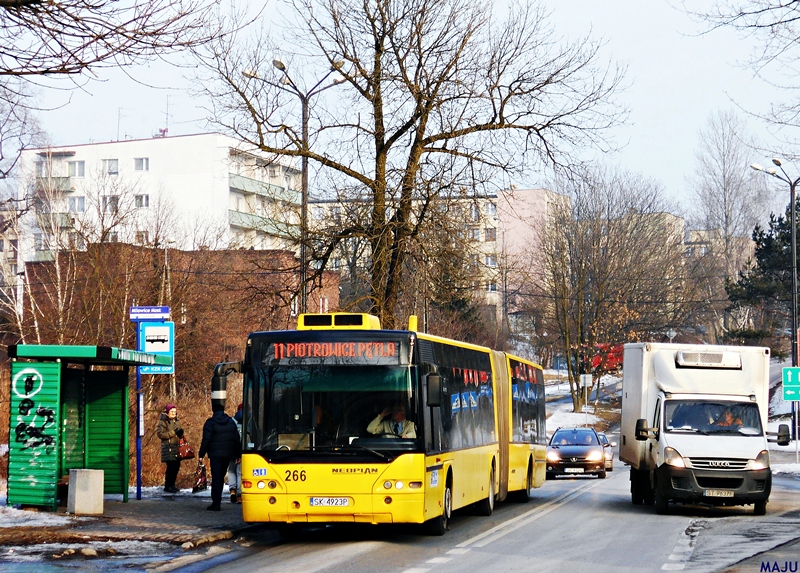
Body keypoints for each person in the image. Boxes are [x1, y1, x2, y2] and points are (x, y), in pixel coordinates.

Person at [199, 403, 242, 511]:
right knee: (221, 476)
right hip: (227, 454)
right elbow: (236, 439)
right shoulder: (230, 422)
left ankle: (216, 502)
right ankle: (217, 500)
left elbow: (206, 440)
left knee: (216, 477)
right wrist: (238, 454)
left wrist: (201, 454)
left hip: (215, 455)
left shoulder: (210, 423)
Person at [156, 403, 184, 494]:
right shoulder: (163, 422)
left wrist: (181, 434)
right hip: (168, 448)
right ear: (167, 412)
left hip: (177, 448)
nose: (173, 413)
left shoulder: (177, 421)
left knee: (176, 467)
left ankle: (172, 485)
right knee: (171, 467)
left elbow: (179, 434)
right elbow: (161, 434)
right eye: (172, 412)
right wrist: (173, 433)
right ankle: (168, 486)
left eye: (175, 412)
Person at [226, 403, 243, 504]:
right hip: (242, 450)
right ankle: (240, 495)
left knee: (231, 471)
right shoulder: (249, 421)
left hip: (230, 451)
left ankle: (232, 491)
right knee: (239, 472)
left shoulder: (231, 421)